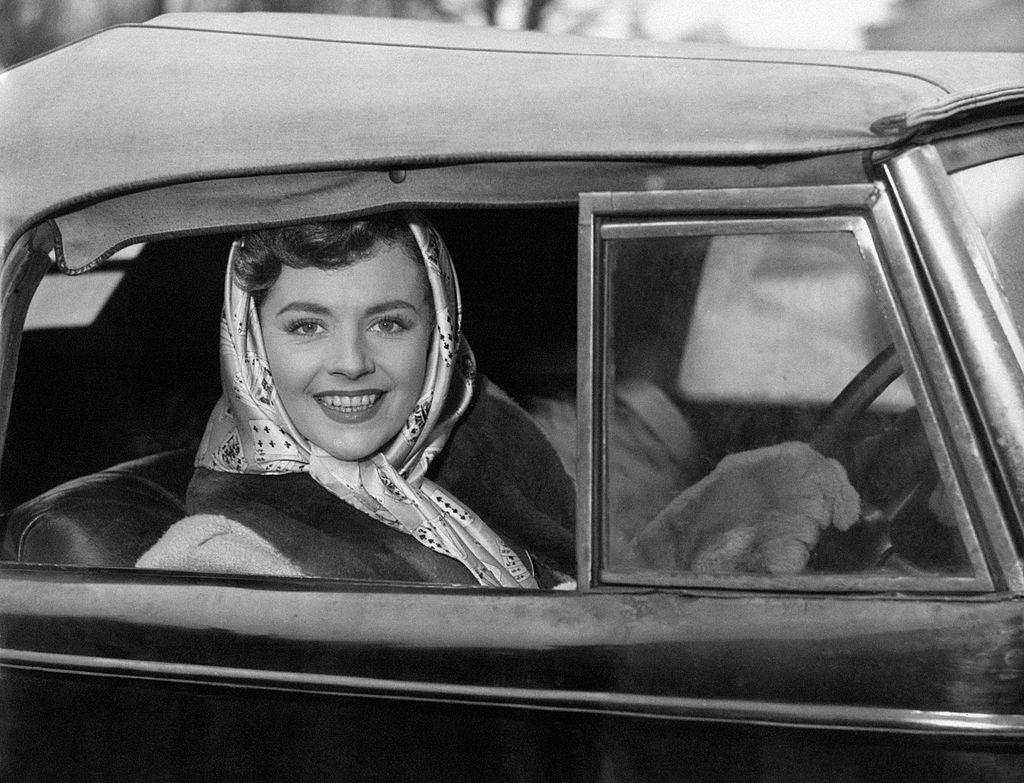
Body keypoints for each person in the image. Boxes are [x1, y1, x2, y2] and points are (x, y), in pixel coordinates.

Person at [136, 212, 576, 588]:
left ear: (439, 335)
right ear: (250, 344)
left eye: (387, 324)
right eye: (307, 326)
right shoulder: (216, 559)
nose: (351, 363)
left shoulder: (498, 446)